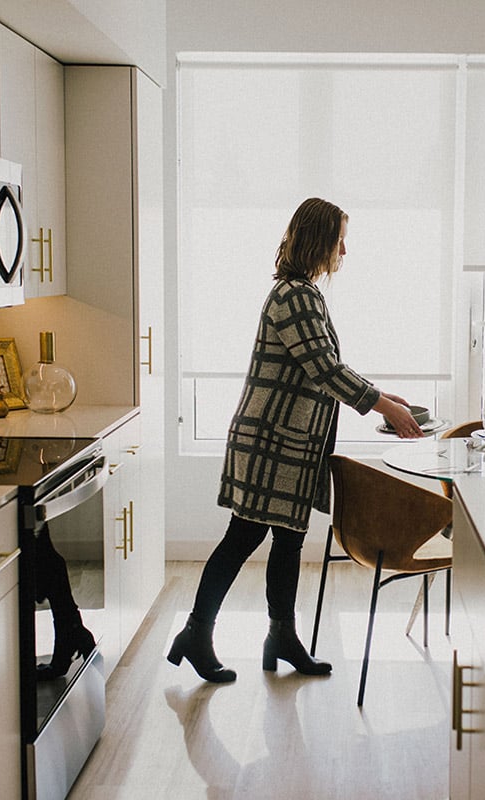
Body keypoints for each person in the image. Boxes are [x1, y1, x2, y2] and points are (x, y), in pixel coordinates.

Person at [167, 197, 423, 683]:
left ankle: (280, 636)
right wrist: (383, 405)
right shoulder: (294, 296)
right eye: (339, 240)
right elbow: (324, 368)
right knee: (243, 537)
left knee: (288, 539)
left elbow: (321, 365)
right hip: (272, 443)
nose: (344, 251)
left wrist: (381, 393)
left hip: (289, 443)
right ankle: (197, 634)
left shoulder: (300, 292)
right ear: (319, 241)